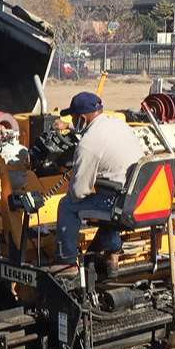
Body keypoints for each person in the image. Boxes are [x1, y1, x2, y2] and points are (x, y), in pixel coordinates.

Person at [49, 92, 143, 277]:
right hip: (140, 197)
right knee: (109, 191)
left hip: (120, 202)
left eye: (73, 117)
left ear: (82, 118)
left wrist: (75, 176)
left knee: (67, 206)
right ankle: (111, 253)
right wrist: (68, 126)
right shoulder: (118, 123)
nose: (72, 120)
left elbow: (78, 193)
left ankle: (66, 262)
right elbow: (92, 129)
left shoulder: (88, 145)